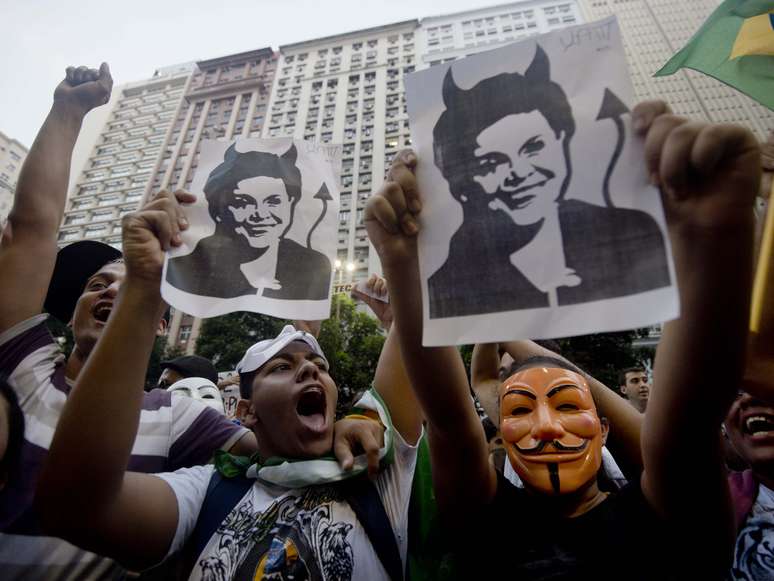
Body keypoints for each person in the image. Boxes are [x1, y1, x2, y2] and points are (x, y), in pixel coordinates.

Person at [365, 99, 760, 577]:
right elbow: (450, 422)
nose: (548, 427)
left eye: (569, 405)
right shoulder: (486, 519)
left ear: (607, 427)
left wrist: (715, 237)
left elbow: (685, 430)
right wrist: (408, 266)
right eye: (518, 411)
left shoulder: (663, 515)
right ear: (501, 440)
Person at [35, 183, 423, 579]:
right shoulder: (205, 494)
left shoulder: (374, 468)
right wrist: (142, 284)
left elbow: (416, 341)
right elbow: (75, 505)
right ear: (245, 409)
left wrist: (402, 264)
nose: (310, 371)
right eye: (281, 368)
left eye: (319, 367)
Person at [0, 64, 254, 579]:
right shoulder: (22, 365)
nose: (114, 289)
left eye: (130, 281)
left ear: (157, 325)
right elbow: (29, 230)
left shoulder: (175, 417)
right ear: (70, 314)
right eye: (97, 285)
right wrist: (68, 111)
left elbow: (277, 454)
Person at [428, 45, 671, 318]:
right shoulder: (445, 285)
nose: (519, 173)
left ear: (562, 141)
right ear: (461, 183)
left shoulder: (632, 231)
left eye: (533, 148)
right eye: (492, 163)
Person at [166, 142, 332, 300]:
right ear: (218, 210)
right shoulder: (182, 271)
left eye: (273, 201)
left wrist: (306, 329)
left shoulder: (314, 267)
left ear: (291, 204)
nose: (260, 214)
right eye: (243, 203)